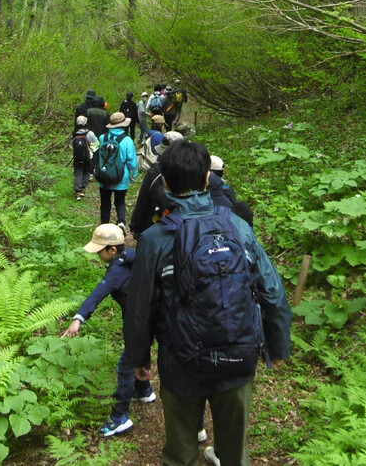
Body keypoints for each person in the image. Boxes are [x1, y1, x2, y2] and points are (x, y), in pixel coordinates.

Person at [124, 140, 292, 466]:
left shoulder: (154, 240)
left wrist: (139, 357)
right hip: (239, 358)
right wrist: (278, 345)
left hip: (179, 363)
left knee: (181, 452)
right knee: (235, 453)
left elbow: (140, 306)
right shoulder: (238, 227)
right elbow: (272, 290)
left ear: (167, 183)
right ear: (206, 179)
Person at [61, 224, 156, 437]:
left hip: (140, 322)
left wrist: (78, 319)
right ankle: (143, 390)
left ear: (112, 250)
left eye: (99, 251)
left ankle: (119, 417)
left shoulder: (117, 270)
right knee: (139, 352)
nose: (97, 255)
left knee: (125, 366)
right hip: (147, 318)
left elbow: (99, 292)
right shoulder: (132, 257)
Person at [130, 131, 184, 239]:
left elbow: (143, 200)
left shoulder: (155, 172)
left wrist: (136, 227)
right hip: (183, 230)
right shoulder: (191, 171)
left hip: (155, 227)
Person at [95, 112, 139, 230]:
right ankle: (120, 223)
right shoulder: (127, 140)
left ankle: (104, 226)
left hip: (104, 175)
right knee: (120, 202)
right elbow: (131, 161)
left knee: (105, 203)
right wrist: (134, 176)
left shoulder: (102, 138)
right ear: (123, 125)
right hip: (121, 177)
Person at [71, 115, 99, 200]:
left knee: (78, 173)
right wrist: (92, 151)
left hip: (77, 158)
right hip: (88, 157)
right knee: (86, 172)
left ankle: (77, 191)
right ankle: (83, 189)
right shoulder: (89, 133)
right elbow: (96, 144)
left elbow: (71, 146)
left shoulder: (74, 134)